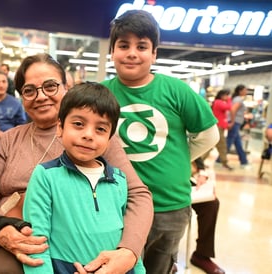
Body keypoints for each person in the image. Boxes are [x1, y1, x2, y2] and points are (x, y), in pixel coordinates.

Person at [0, 53, 153, 274]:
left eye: (50, 86)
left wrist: (129, 251)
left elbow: (138, 194)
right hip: (21, 242)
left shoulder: (98, 139)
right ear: (21, 98)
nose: (41, 96)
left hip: (80, 242)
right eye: (29, 90)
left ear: (66, 86)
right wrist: (1, 230)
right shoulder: (7, 140)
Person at [101, 10, 219, 274]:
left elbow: (210, 134)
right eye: (123, 45)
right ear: (112, 52)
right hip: (117, 205)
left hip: (169, 205)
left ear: (154, 54)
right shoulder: (101, 92)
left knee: (159, 266)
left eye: (142, 46)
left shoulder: (176, 90)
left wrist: (179, 159)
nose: (132, 53)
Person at [22, 82, 145, 274]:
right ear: (60, 128)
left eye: (101, 129)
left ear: (110, 138)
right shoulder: (45, 176)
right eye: (78, 124)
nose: (88, 135)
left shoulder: (119, 180)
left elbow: (127, 243)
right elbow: (37, 243)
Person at [190, 158, 225, 274]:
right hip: (154, 176)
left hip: (180, 175)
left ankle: (201, 254)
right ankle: (163, 256)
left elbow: (193, 149)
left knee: (211, 204)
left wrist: (201, 172)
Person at [226, 84, 250, 169]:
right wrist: (232, 121)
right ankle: (244, 162)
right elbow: (233, 110)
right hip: (235, 122)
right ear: (240, 91)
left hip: (235, 122)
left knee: (237, 142)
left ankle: (244, 161)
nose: (246, 91)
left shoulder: (236, 99)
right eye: (245, 90)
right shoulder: (238, 99)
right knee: (229, 141)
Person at [211, 89, 233, 170]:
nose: (227, 97)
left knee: (215, 145)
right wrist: (229, 100)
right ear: (222, 95)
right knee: (222, 145)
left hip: (219, 127)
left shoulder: (217, 102)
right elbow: (229, 107)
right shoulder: (219, 102)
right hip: (218, 127)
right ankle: (224, 162)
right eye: (227, 95)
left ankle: (224, 162)